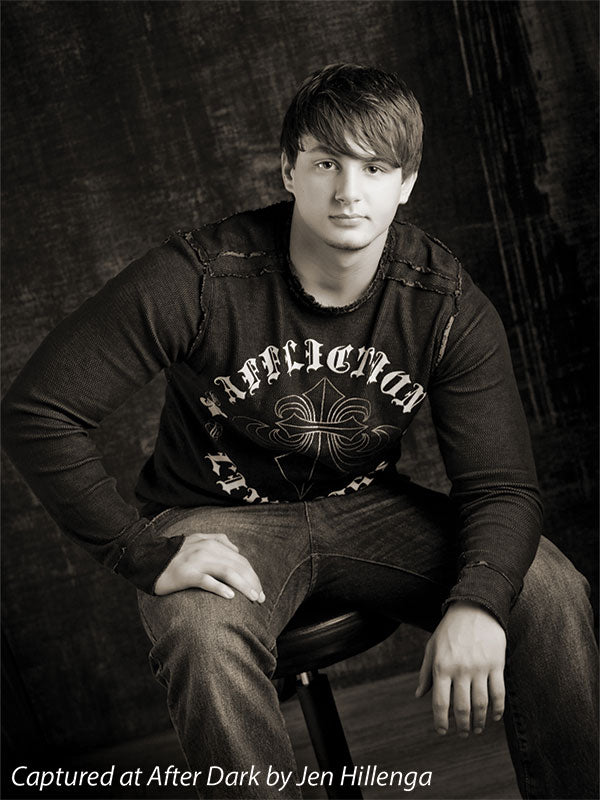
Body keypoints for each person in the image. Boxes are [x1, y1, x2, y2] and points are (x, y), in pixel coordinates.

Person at [2, 63, 597, 799]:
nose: (348, 191)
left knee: (547, 587)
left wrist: (478, 601)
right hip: (218, 517)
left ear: (407, 184)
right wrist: (137, 550)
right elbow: (39, 411)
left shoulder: (443, 305)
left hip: (367, 507)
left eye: (375, 168)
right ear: (288, 170)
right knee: (200, 633)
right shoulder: (203, 278)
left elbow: (502, 485)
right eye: (325, 163)